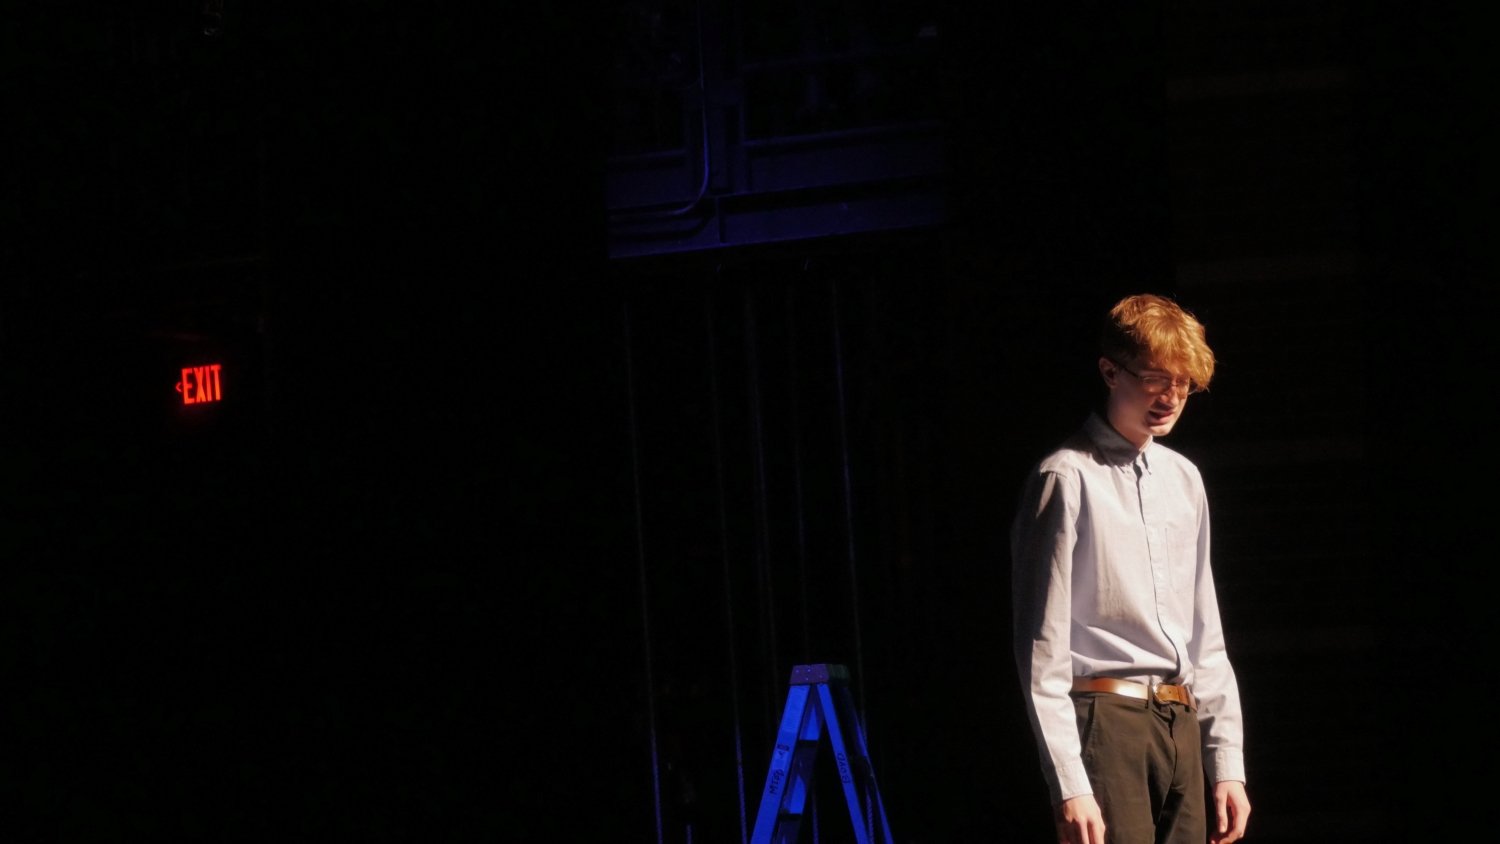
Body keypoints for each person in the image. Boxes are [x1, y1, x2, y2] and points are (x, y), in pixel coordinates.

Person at [1010, 293, 1251, 844]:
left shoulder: (1184, 479)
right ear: (1110, 372)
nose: (1171, 397)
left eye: (1184, 384)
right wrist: (1069, 783)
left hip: (1180, 718)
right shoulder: (1067, 478)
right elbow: (1041, 648)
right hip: (1106, 718)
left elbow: (1205, 635)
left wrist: (1227, 760)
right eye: (1155, 379)